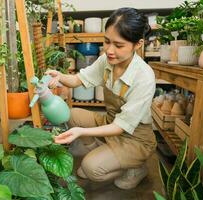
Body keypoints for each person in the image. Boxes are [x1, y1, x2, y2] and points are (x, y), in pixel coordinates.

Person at [46, 7, 157, 190]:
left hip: (135, 137)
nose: (110, 50)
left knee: (91, 170)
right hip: (111, 121)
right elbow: (78, 79)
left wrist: (81, 132)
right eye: (106, 42)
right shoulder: (107, 60)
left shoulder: (144, 77)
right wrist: (59, 77)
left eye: (119, 45)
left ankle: (135, 167)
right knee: (72, 114)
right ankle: (106, 156)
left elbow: (120, 127)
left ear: (138, 44)